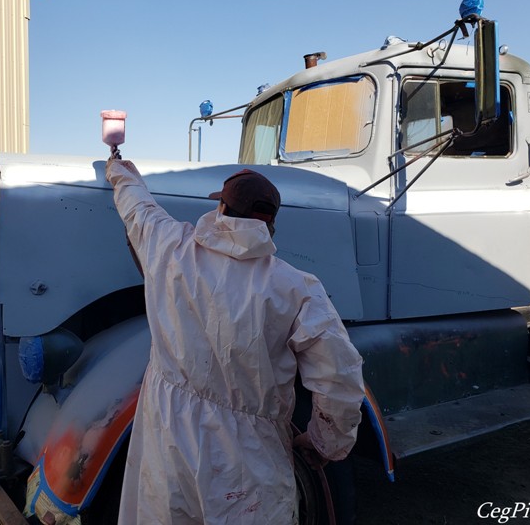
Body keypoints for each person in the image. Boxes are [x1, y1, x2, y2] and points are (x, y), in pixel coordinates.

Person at [106, 159, 365, 525]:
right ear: (270, 224)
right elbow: (340, 376)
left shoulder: (170, 246)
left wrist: (120, 171)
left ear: (222, 209)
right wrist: (327, 443)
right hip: (247, 461)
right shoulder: (296, 288)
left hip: (167, 439)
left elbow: (137, 207)